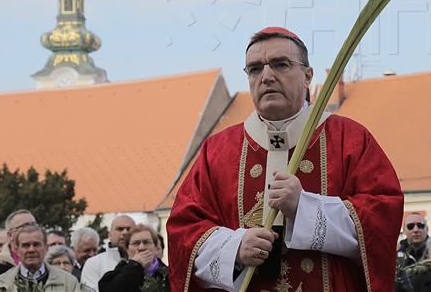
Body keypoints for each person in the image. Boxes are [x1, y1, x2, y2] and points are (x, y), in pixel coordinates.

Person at [167, 27, 404, 292]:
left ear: (307, 76)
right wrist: (234, 247)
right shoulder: (218, 152)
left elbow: (382, 219)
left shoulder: (349, 139)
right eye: (255, 69)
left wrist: (304, 209)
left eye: (281, 65)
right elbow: (183, 233)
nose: (266, 77)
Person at [0, 224, 80, 292]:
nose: (31, 249)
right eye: (25, 245)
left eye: (36, 244)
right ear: (16, 249)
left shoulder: (69, 283)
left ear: (46, 248)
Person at [98, 224, 168, 292]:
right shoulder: (111, 277)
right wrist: (135, 266)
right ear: (127, 250)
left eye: (147, 242)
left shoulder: (169, 275)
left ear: (156, 248)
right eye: (136, 243)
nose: (141, 248)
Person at [80, 215, 135, 292]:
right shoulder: (94, 263)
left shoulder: (146, 261)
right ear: (110, 235)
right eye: (120, 229)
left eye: (129, 229)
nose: (125, 232)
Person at [396, 213, 431, 292]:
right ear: (404, 230)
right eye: (410, 226)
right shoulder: (396, 257)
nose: (416, 230)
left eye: (420, 225)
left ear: (427, 229)